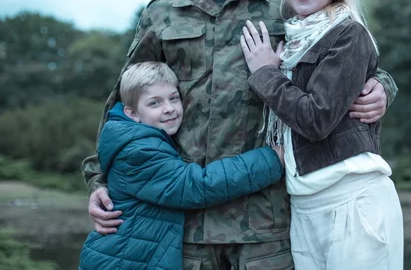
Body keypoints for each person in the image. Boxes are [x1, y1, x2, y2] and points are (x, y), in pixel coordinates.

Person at [81, 0, 398, 269]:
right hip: (186, 222)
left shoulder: (283, 3)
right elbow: (124, 99)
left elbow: (346, 48)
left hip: (267, 220)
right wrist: (99, 180)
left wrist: (382, 85)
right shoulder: (162, 14)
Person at [240, 0, 404, 269]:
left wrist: (265, 73)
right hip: (303, 205)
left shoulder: (348, 34)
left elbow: (316, 119)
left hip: (352, 199)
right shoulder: (292, 40)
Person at [79, 62, 284, 270]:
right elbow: (195, 185)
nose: (169, 109)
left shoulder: (142, 138)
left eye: (174, 98)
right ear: (133, 114)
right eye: (154, 103)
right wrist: (270, 159)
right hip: (121, 261)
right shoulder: (139, 152)